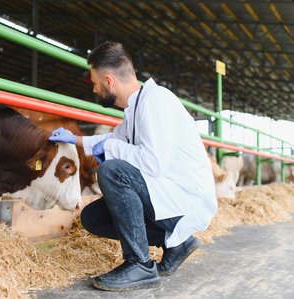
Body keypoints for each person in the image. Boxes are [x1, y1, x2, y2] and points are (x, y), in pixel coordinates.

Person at [49, 41, 217, 291]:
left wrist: (109, 151)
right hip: (166, 195)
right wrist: (74, 139)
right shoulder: (137, 107)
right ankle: (175, 244)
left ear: (109, 81)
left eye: (95, 83)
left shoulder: (156, 101)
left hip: (186, 199)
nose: (94, 90)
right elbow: (113, 140)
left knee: (112, 170)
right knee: (92, 218)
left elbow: (152, 162)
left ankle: (139, 264)